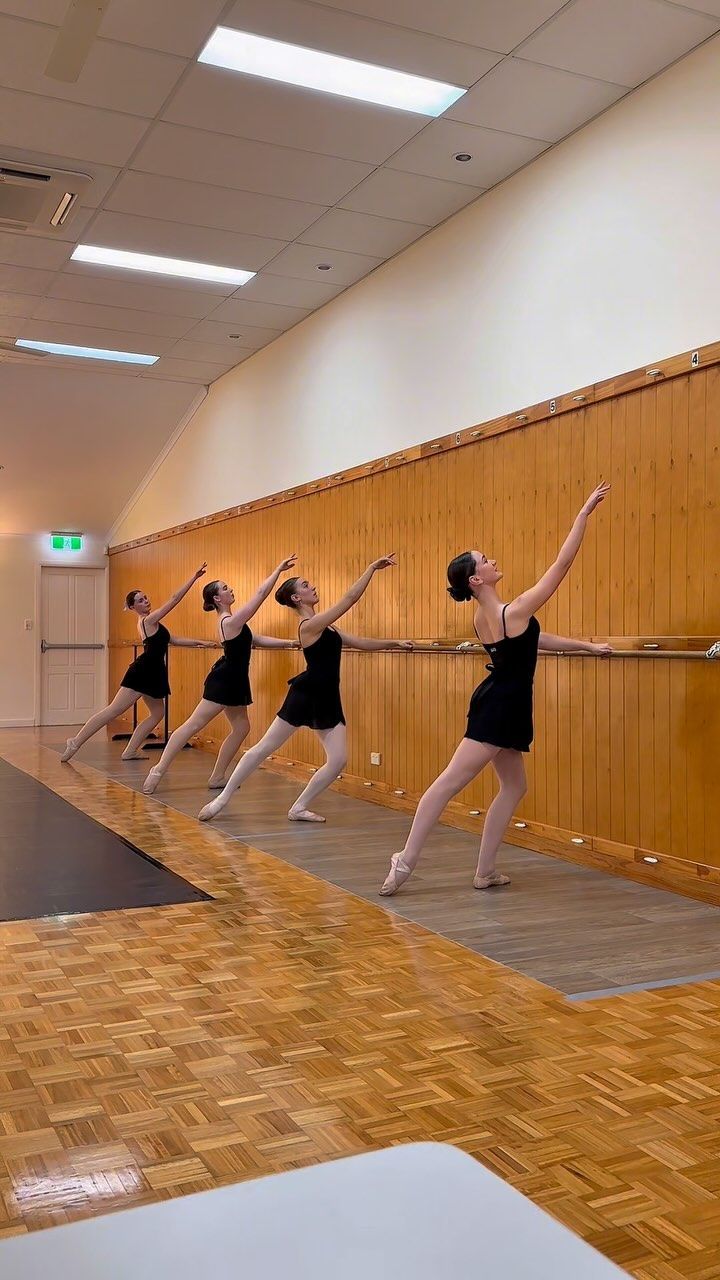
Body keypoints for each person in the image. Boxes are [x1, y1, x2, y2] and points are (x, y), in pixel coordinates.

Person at [379, 484, 612, 896]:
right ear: (476, 578)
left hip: (504, 702)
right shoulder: (513, 610)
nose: (494, 560)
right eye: (486, 560)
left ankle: (485, 871)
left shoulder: (489, 619)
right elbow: (561, 565)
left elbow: (532, 642)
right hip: (501, 706)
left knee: (514, 787)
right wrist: (582, 516)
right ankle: (405, 861)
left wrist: (587, 646)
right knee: (448, 783)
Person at [198, 555, 413, 824]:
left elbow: (359, 642)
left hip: (328, 696)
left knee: (338, 760)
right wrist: (371, 569)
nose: (312, 587)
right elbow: (349, 599)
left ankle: (299, 807)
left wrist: (394, 643)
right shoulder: (309, 626)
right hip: (305, 693)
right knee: (264, 747)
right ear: (297, 599)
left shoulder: (327, 626)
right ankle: (222, 798)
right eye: (305, 585)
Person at [142, 556, 299, 795]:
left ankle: (217, 776)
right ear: (217, 598)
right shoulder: (228, 621)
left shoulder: (235, 623)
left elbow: (255, 639)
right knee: (192, 725)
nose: (231, 589)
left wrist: (290, 643)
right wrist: (277, 570)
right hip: (224, 680)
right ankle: (158, 769)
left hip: (235, 680)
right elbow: (259, 595)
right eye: (225, 588)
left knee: (242, 727)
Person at [61, 563, 212, 763]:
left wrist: (199, 642)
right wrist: (194, 578)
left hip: (154, 671)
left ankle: (131, 750)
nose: (146, 601)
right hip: (143, 671)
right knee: (114, 710)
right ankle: (76, 741)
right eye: (140, 601)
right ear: (133, 607)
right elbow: (175, 599)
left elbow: (172, 639)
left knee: (157, 713)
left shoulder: (152, 623)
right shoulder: (147, 621)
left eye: (146, 598)